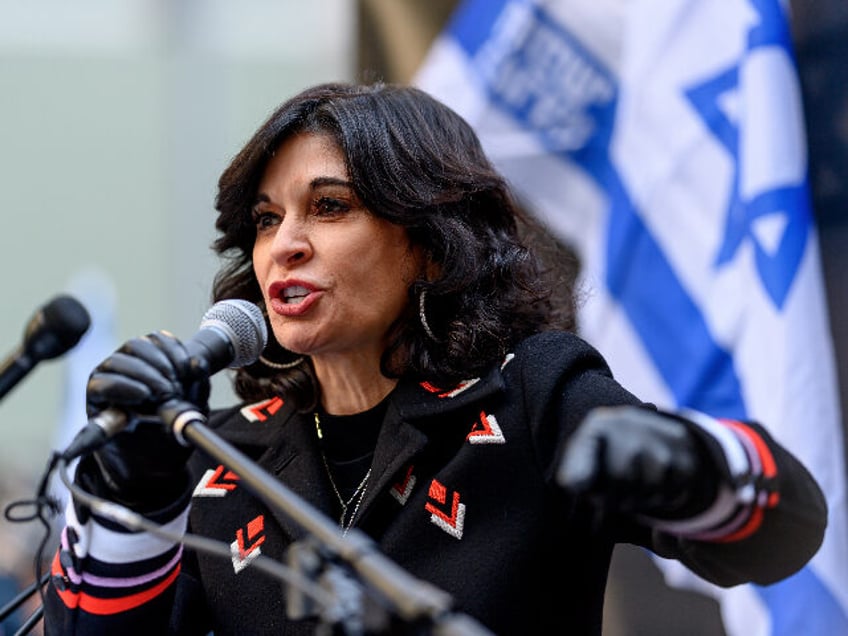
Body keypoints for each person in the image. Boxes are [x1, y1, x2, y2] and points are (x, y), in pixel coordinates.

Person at [43, 82, 827, 635]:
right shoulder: (218, 452)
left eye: (329, 206)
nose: (285, 245)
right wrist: (133, 498)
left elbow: (782, 532)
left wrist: (694, 463)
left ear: (429, 244)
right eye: (265, 218)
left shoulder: (532, 395)